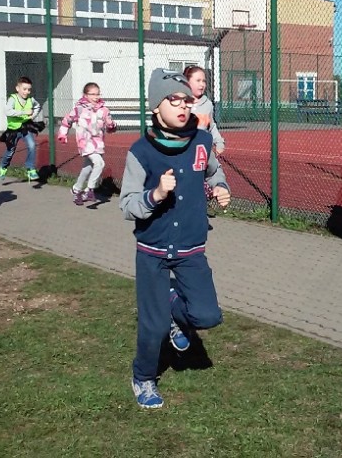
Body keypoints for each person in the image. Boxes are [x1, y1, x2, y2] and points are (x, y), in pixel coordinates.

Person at [119, 68, 231, 409]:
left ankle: (172, 305)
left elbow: (214, 172)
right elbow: (127, 205)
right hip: (152, 250)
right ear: (156, 107)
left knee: (207, 316)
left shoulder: (202, 142)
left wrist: (220, 187)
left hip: (191, 248)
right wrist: (154, 196)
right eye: (174, 100)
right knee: (152, 327)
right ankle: (143, 377)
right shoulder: (141, 151)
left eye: (187, 100)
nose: (183, 106)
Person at [57, 82, 116, 205]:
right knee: (99, 163)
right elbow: (67, 121)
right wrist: (63, 134)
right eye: (92, 94)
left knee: (87, 168)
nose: (96, 97)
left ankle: (76, 189)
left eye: (97, 94)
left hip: (98, 143)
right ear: (85, 95)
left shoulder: (104, 110)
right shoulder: (79, 109)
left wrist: (111, 125)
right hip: (85, 142)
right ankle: (89, 189)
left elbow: (110, 125)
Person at [0, 76, 43, 182]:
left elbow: (37, 106)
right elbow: (7, 111)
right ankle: (3, 167)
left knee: (32, 145)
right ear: (17, 88)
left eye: (29, 89)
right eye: (24, 89)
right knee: (10, 151)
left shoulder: (31, 100)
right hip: (13, 130)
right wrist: (24, 112)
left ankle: (30, 169)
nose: (27, 92)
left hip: (25, 127)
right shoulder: (13, 99)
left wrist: (33, 116)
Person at [183, 66, 225, 155]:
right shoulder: (180, 104)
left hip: (202, 152)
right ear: (187, 82)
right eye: (198, 81)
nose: (202, 84)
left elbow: (211, 126)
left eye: (204, 81)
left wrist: (219, 143)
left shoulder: (207, 104)